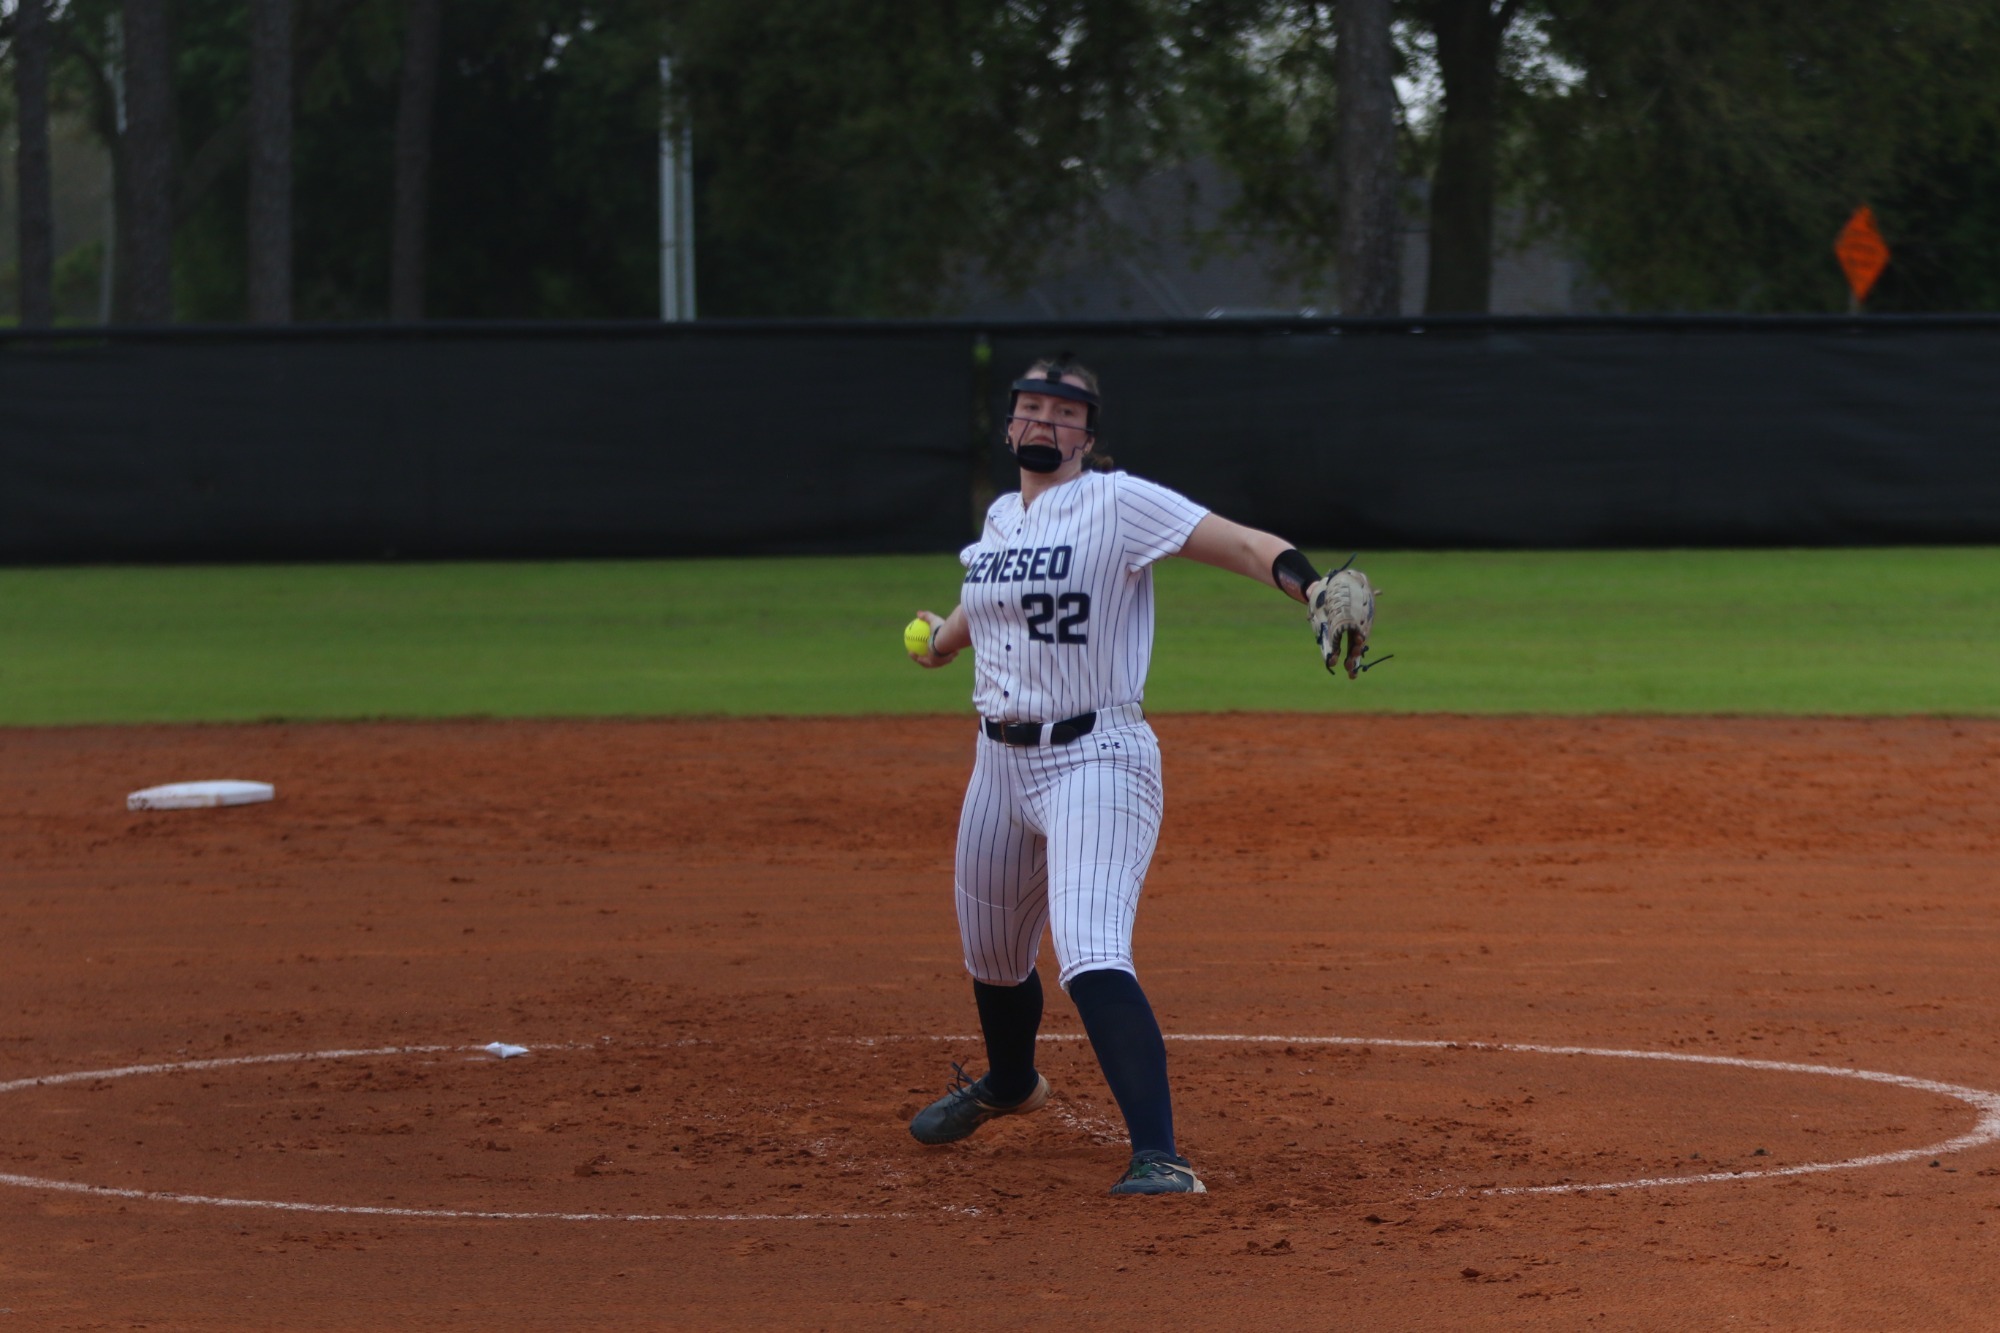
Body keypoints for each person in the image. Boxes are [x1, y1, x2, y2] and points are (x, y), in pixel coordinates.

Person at [904, 353, 1340, 1196]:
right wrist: (943, 636)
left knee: (1090, 949)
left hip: (1096, 758)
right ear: (1008, 425)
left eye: (1062, 411)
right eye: (1028, 406)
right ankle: (1009, 1083)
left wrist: (1313, 584)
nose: (1042, 421)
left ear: (1087, 434)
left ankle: (1159, 1154)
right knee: (993, 956)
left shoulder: (1117, 501)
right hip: (997, 762)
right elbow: (987, 603)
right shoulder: (999, 521)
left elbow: (1245, 545)